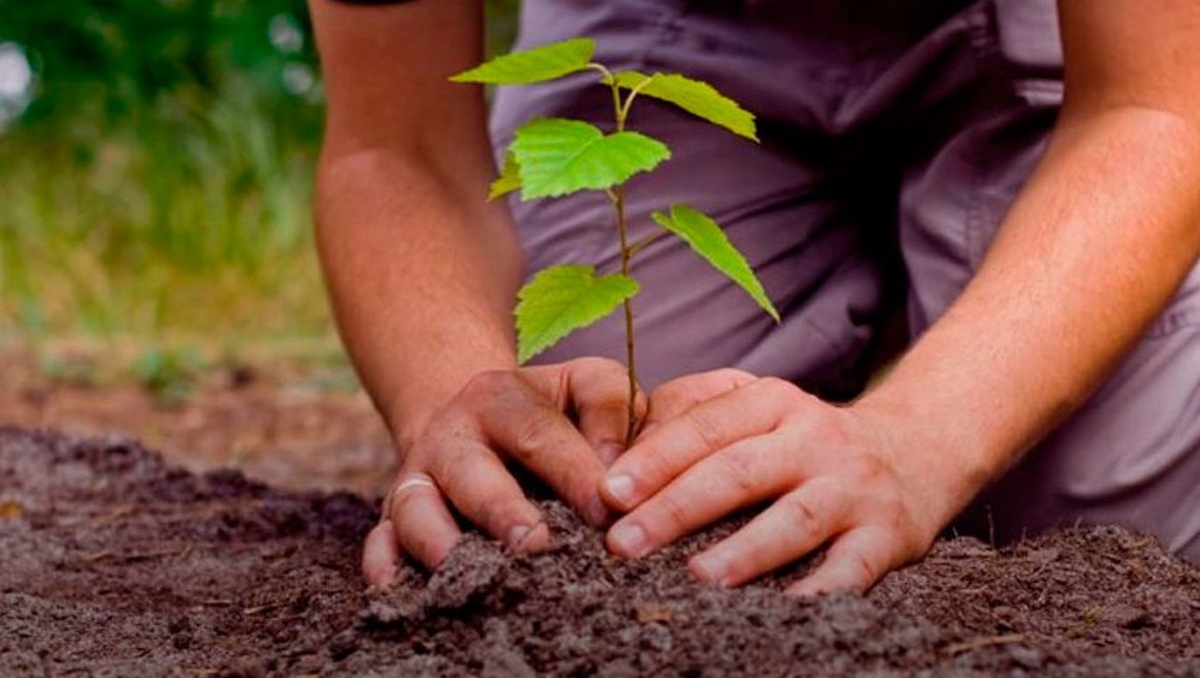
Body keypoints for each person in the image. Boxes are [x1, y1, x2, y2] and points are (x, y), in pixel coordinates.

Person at [307, 0, 1200, 594]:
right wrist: (449, 403)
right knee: (608, 467)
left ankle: (923, 302)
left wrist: (919, 439)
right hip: (668, 22)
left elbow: (1158, 106)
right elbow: (397, 144)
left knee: (1110, 517)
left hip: (1057, 32)